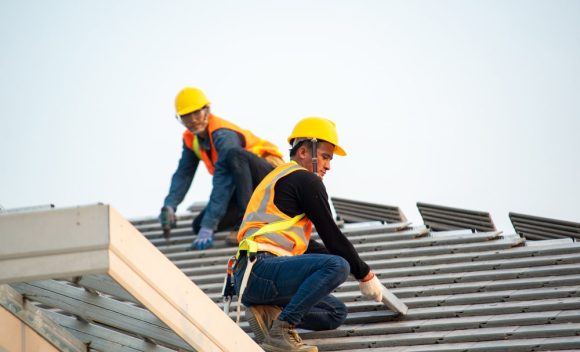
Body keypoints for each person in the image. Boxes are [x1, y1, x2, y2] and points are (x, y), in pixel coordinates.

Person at [231, 117, 384, 352]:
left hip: (250, 275)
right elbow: (332, 236)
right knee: (338, 266)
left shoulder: (280, 177)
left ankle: (269, 313)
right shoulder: (305, 179)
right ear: (304, 151)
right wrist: (364, 274)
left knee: (335, 313)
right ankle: (282, 330)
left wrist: (354, 265)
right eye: (324, 157)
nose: (328, 166)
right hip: (261, 268)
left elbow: (310, 246)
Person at [159, 87, 284, 250]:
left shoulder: (223, 134)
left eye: (196, 113)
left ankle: (247, 225)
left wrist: (210, 224)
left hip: (273, 183)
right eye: (186, 116)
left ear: (207, 110)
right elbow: (184, 174)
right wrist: (170, 205)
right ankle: (254, 218)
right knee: (198, 225)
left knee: (235, 155)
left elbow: (223, 180)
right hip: (247, 190)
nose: (193, 120)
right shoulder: (191, 139)